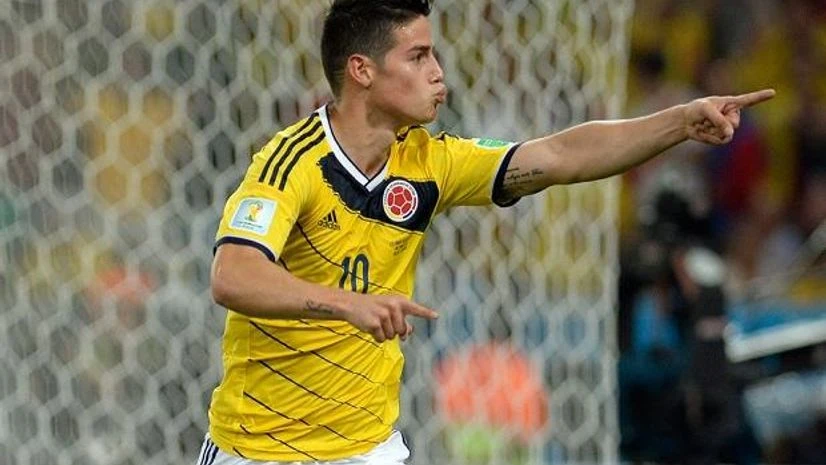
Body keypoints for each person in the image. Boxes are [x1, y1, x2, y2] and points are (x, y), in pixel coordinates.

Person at [199, 1, 775, 463]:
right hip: (262, 446)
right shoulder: (290, 162)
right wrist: (345, 304)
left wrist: (678, 121)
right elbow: (234, 274)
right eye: (418, 56)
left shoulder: (431, 160)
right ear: (362, 70)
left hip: (368, 448)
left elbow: (558, 155)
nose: (438, 73)